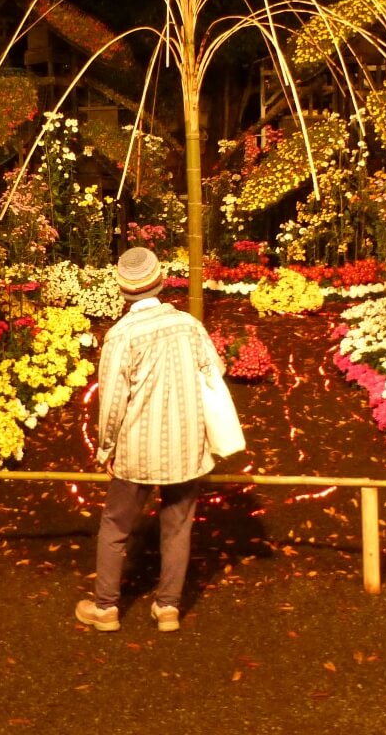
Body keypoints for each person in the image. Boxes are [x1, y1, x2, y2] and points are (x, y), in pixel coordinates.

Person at [75, 246, 229, 634]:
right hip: (186, 446)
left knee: (115, 525)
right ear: (161, 282)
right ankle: (168, 608)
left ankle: (106, 607)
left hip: (136, 449)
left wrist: (105, 449)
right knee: (178, 526)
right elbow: (216, 370)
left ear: (124, 291)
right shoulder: (189, 325)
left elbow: (111, 402)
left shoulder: (121, 336)